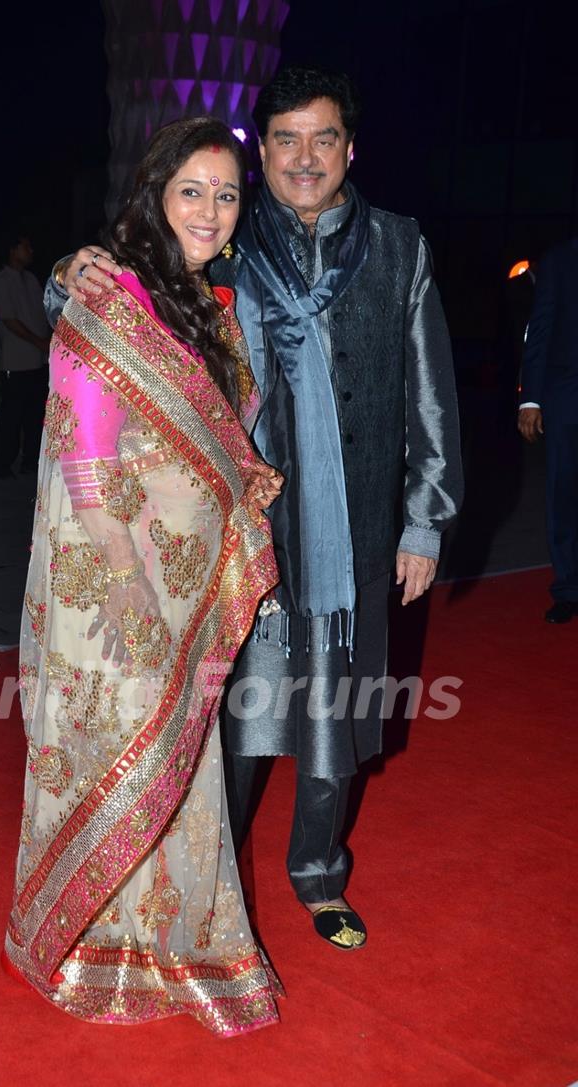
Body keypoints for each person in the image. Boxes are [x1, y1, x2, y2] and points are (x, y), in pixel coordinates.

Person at [48, 65, 464, 952]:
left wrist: (425, 519)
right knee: (232, 712)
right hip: (243, 534)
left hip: (355, 531)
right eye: (285, 138)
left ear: (350, 147)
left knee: (338, 713)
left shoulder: (400, 246)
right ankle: (213, 872)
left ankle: (318, 872)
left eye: (322, 138)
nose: (304, 157)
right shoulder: (226, 235)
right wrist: (64, 273)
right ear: (261, 149)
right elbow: (129, 291)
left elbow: (431, 395)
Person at [3, 117, 284, 1035]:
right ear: (155, 199)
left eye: (227, 192)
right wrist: (124, 574)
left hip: (190, 582)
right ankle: (92, 946)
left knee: (182, 759)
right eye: (192, 190)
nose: (210, 209)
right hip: (119, 576)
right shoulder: (111, 296)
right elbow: (85, 449)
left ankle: (176, 941)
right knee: (116, 752)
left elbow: (214, 435)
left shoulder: (215, 305)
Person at [518, 237, 578, 623]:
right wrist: (531, 400)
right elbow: (539, 329)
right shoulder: (560, 260)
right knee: (564, 493)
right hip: (566, 398)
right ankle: (569, 589)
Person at [0, 234, 50, 478]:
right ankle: (1, 463)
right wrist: (39, 342)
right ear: (13, 250)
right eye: (26, 246)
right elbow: (9, 320)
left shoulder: (32, 279)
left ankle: (30, 461)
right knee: (11, 416)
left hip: (36, 360)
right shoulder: (3, 281)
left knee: (35, 415)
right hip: (15, 360)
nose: (31, 250)